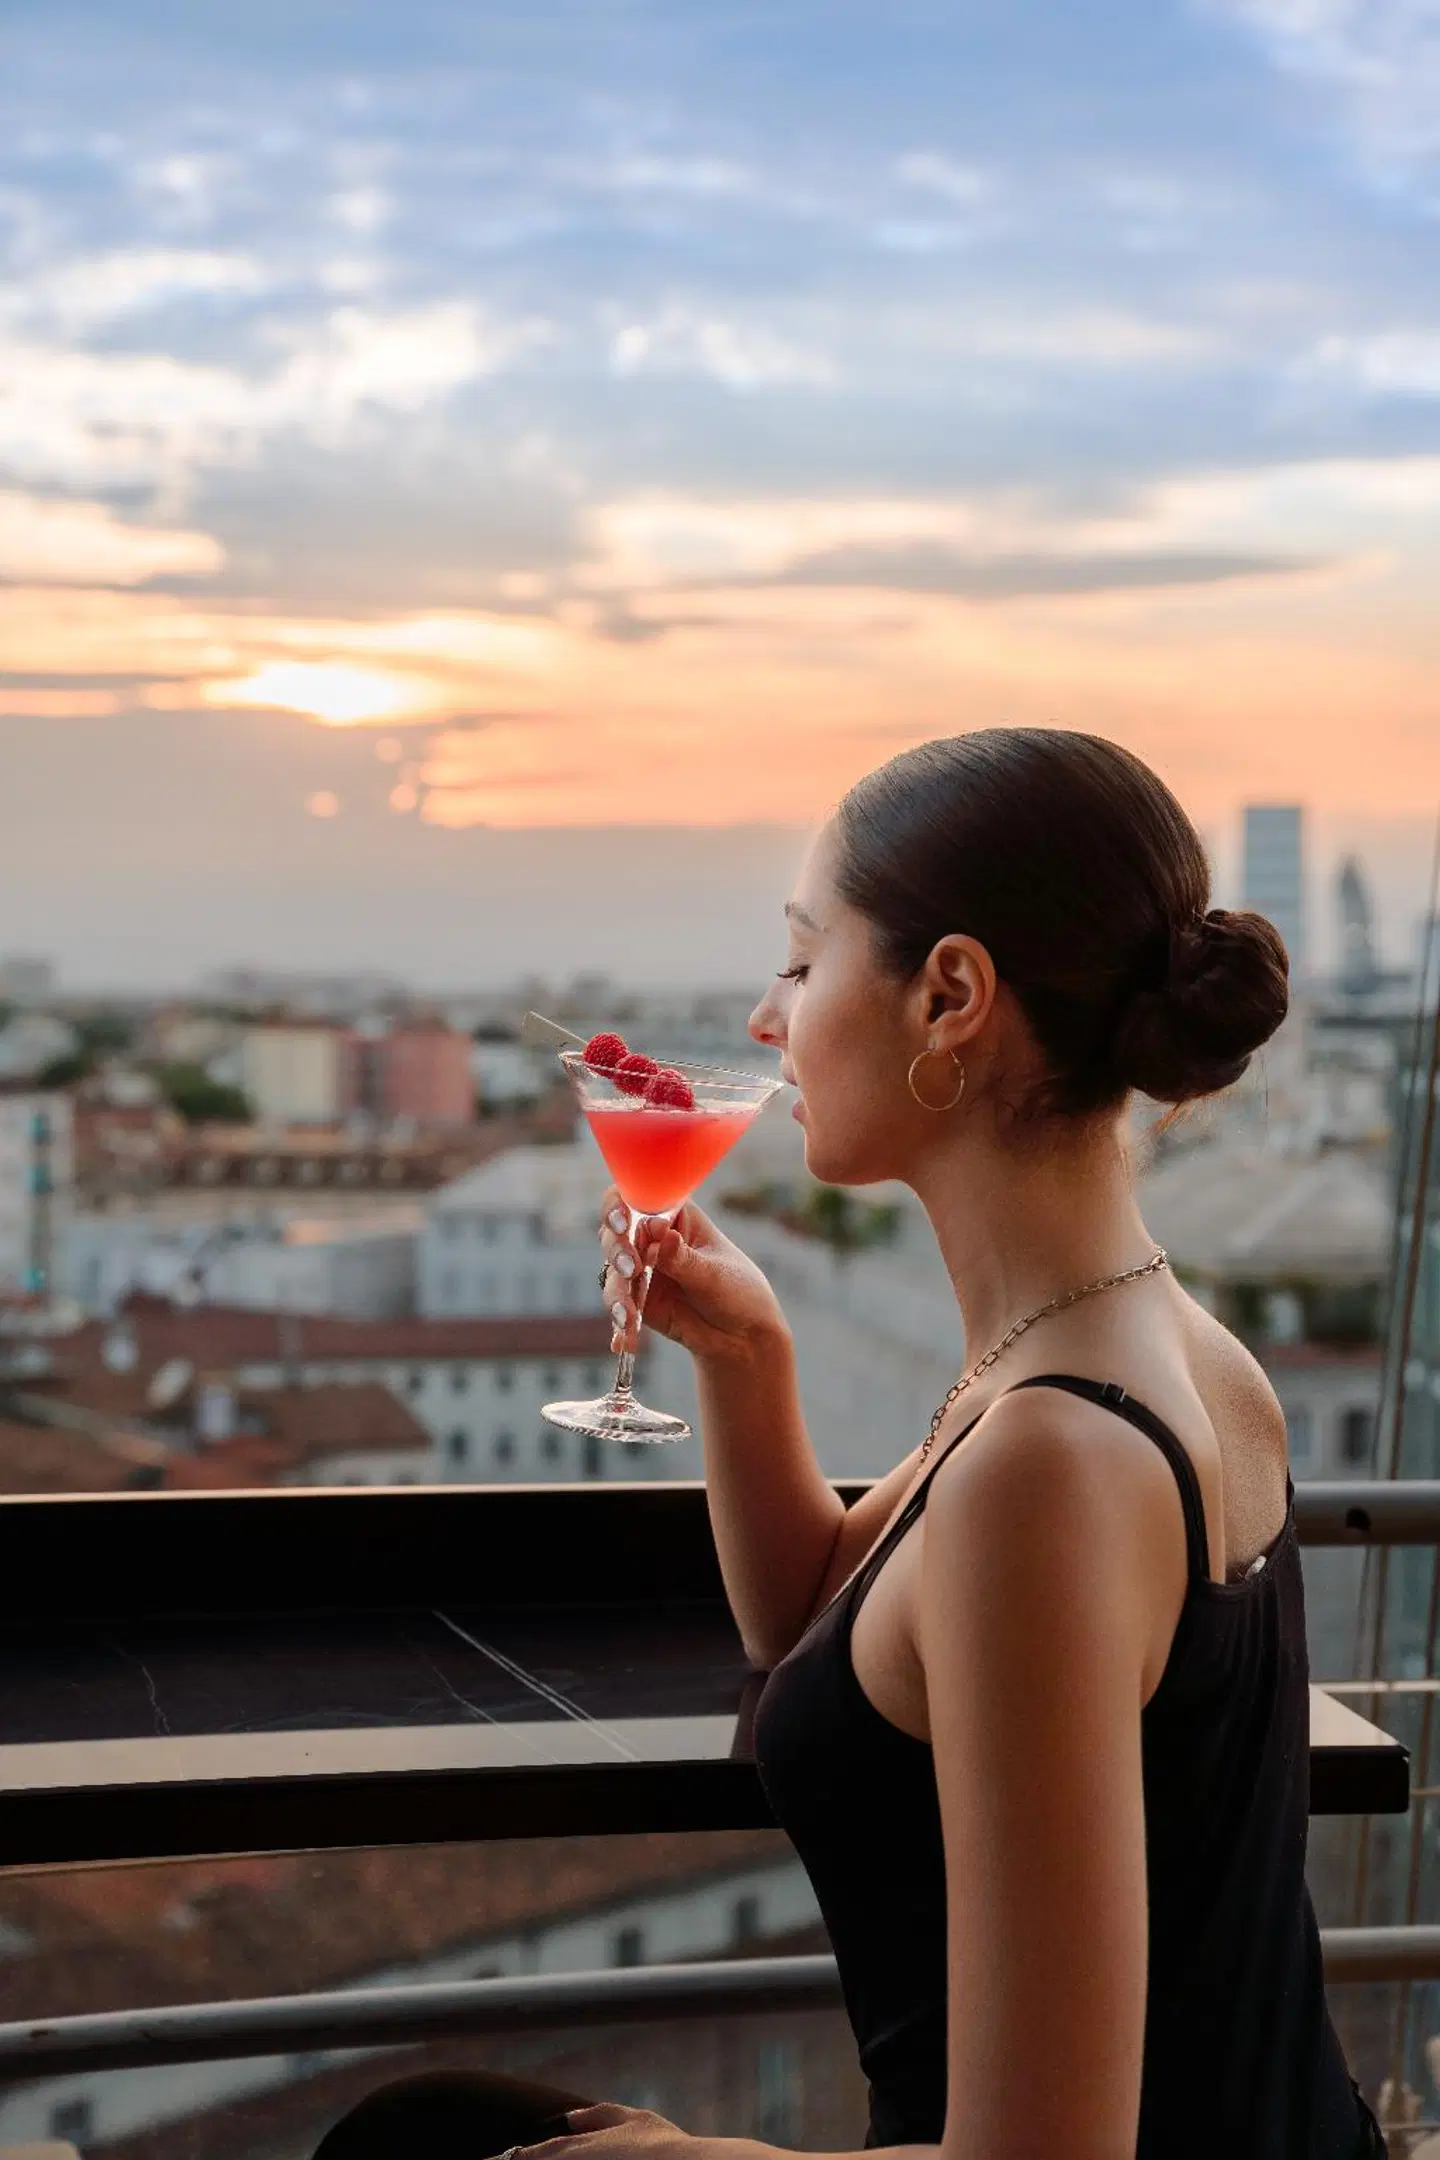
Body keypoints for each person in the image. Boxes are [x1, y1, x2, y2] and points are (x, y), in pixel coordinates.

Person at [315, 729, 1386, 2159]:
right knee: (426, 2127)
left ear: (950, 997)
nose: (767, 1019)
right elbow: (821, 1619)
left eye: (803, 961)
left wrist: (689, 2157)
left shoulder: (1048, 1460)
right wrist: (749, 1362)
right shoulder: (1146, 1344)